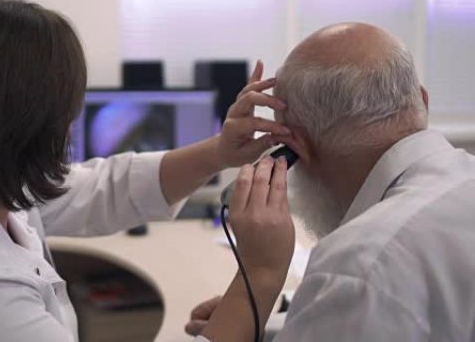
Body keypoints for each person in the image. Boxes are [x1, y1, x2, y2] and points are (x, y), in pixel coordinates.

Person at [0, 0, 292, 342]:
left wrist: (219, 152)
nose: (71, 124)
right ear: (31, 123)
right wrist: (261, 272)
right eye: (68, 109)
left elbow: (100, 189)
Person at [188, 22, 475, 342]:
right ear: (422, 100)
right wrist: (257, 323)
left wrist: (258, 275)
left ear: (296, 149)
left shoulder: (357, 265)